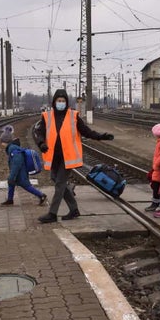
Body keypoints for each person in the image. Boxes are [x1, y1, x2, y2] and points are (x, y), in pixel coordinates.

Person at [33, 89, 114, 224]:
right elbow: (39, 132)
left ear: (66, 102)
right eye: (58, 101)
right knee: (57, 180)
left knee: (59, 184)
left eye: (63, 101)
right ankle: (74, 209)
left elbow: (86, 132)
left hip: (67, 157)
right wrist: (41, 143)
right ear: (54, 102)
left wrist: (101, 136)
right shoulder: (47, 116)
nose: (61, 103)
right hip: (53, 156)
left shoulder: (74, 116)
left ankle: (52, 213)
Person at [0, 125, 47, 206]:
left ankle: (41, 195)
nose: (1, 144)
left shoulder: (13, 149)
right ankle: (10, 199)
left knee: (25, 185)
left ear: (7, 141)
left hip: (20, 172)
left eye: (2, 142)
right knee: (11, 183)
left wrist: (12, 175)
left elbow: (17, 163)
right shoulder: (12, 148)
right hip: (18, 171)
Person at [145, 123, 160, 211]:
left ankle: (155, 203)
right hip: (159, 168)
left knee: (156, 185)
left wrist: (156, 165)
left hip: (159, 168)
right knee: (159, 185)